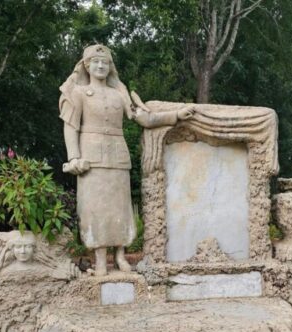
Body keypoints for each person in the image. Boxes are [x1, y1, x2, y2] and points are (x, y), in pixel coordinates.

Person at [59, 44, 194, 276]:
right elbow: (71, 126)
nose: (101, 66)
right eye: (95, 62)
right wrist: (74, 157)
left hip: (118, 157)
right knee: (95, 209)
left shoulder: (118, 93)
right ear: (86, 66)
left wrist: (175, 116)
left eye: (105, 62)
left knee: (119, 209)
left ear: (110, 67)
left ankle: (120, 256)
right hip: (91, 159)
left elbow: (143, 118)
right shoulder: (79, 93)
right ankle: (100, 259)